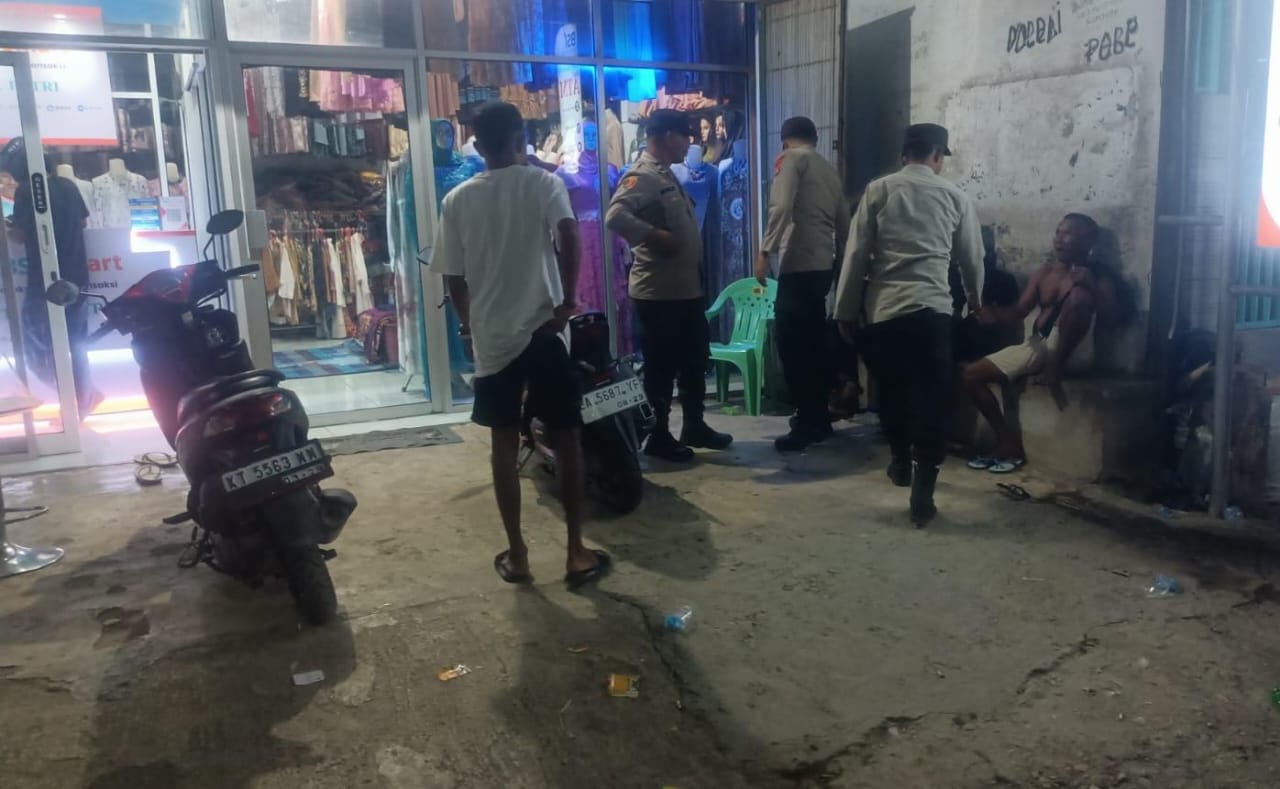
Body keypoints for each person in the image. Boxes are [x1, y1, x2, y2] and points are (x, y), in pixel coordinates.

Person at [430, 101, 610, 588]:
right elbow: (569, 232)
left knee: (503, 446)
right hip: (545, 331)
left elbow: (453, 276)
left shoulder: (457, 199)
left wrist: (470, 326)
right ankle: (575, 551)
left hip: (495, 338)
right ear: (519, 140)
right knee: (567, 439)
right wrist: (567, 301)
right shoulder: (543, 184)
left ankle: (518, 554)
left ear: (478, 145)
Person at [833, 123, 984, 525]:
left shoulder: (879, 190)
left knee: (891, 392)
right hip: (933, 313)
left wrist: (844, 309)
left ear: (904, 155)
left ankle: (900, 459)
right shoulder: (955, 196)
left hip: (886, 312)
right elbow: (972, 257)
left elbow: (856, 253)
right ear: (937, 155)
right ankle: (924, 492)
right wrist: (976, 300)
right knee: (932, 399)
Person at [606, 109, 733, 462]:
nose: (689, 143)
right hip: (658, 293)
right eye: (684, 136)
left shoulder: (666, 174)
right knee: (661, 369)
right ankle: (658, 436)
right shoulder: (642, 175)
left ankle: (694, 425)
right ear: (665, 136)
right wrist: (654, 236)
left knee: (694, 360)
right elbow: (615, 216)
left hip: (685, 290)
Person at [961, 213, 1108, 472]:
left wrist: (1092, 287)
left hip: (1073, 351)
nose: (1059, 239)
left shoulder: (1099, 276)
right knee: (970, 375)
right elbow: (1019, 311)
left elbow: (1112, 319)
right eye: (1058, 232)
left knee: (1078, 299)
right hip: (1037, 345)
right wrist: (993, 314)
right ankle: (1007, 443)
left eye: (1068, 234)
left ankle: (1053, 368)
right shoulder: (1044, 274)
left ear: (1088, 241)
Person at [756, 116, 847, 452]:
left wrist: (764, 251)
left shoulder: (791, 160)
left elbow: (780, 206)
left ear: (784, 140)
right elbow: (844, 219)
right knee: (814, 343)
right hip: (823, 264)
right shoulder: (828, 169)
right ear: (815, 138)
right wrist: (843, 263)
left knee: (793, 346)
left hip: (798, 262)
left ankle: (808, 421)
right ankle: (818, 417)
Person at [1, 138, 101, 419]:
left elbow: (20, 235)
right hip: (77, 275)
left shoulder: (26, 191)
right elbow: (82, 221)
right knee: (75, 342)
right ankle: (84, 397)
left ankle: (72, 397)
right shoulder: (68, 185)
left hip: (46, 279)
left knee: (35, 342)